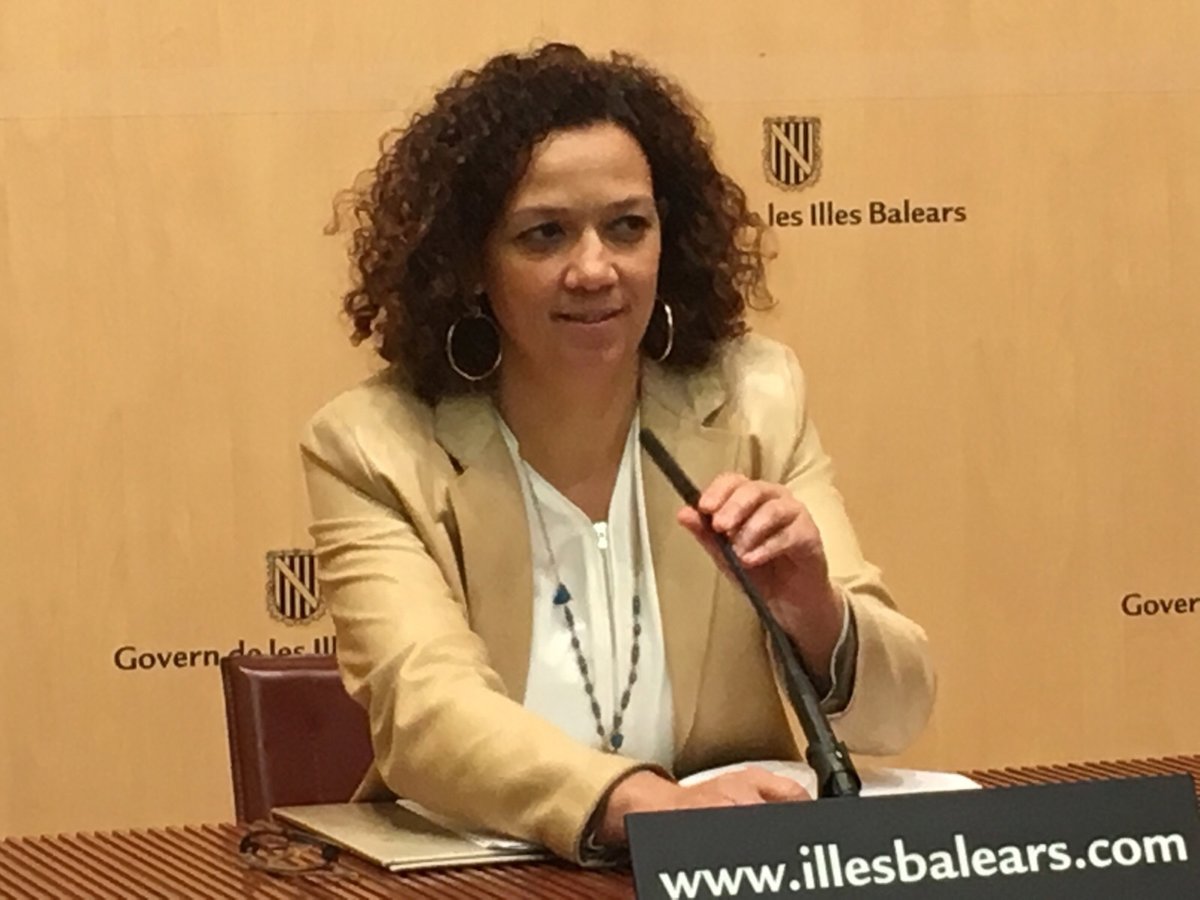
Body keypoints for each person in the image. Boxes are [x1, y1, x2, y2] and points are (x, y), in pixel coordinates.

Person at [301, 42, 934, 862]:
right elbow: (427, 717)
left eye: (627, 226)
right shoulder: (374, 446)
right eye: (544, 235)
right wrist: (645, 805)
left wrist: (816, 614)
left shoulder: (754, 402)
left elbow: (897, 713)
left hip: (724, 869)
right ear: (470, 263)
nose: (595, 268)